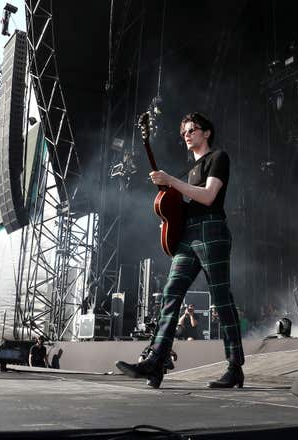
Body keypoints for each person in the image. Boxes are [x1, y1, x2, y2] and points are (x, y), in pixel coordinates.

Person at [116, 112, 244, 389]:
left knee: (221, 299)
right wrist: (170, 213)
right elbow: (185, 206)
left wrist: (171, 181)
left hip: (212, 230)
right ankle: (156, 360)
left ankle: (235, 367)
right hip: (189, 235)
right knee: (170, 293)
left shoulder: (218, 158)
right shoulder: (189, 170)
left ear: (207, 133)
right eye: (184, 131)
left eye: (192, 130)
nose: (187, 135)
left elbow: (209, 197)